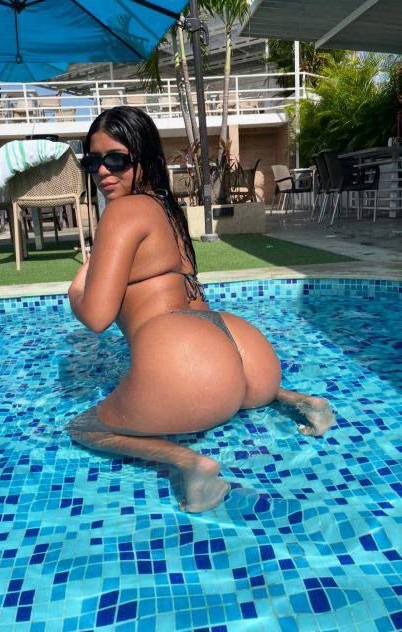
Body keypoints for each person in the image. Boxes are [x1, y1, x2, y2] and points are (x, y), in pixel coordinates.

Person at [67, 107, 335, 513]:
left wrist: (76, 288)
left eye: (116, 159)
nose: (103, 171)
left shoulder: (122, 211)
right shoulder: (167, 209)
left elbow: (96, 316)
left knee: (84, 427)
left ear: (144, 158)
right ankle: (299, 401)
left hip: (187, 359)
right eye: (92, 162)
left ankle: (189, 464)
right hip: (237, 346)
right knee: (230, 389)